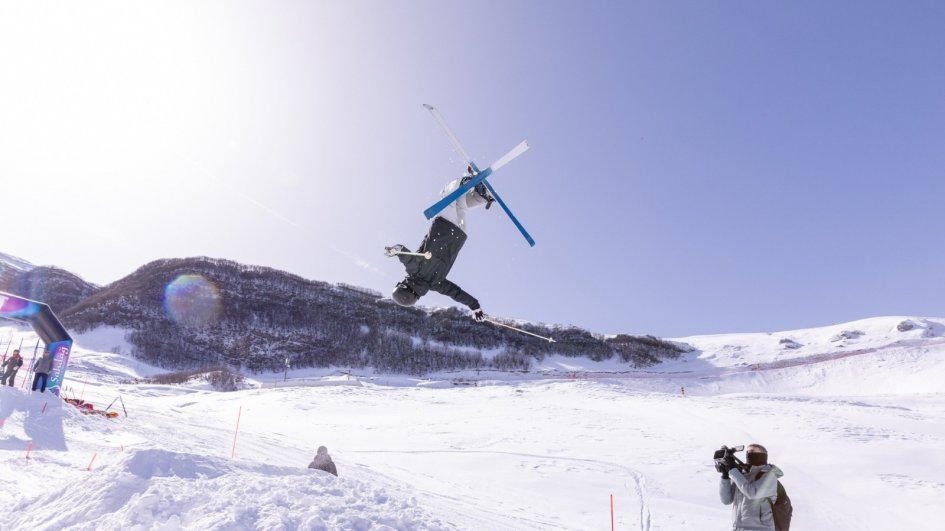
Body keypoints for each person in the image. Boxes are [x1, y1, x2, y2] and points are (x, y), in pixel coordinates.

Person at [386, 167, 494, 321]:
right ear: (405, 287)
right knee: (447, 196)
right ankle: (467, 182)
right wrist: (394, 250)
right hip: (443, 227)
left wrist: (475, 306)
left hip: (459, 234)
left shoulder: (436, 284)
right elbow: (404, 254)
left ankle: (481, 197)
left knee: (460, 204)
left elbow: (456, 293)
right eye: (402, 283)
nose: (402, 280)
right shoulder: (414, 271)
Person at [718, 443, 784, 530]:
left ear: (763, 455)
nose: (749, 454)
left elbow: (753, 493)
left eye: (752, 451)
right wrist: (725, 476)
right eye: (747, 452)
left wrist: (733, 471)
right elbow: (726, 500)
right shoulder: (742, 476)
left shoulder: (769, 475)